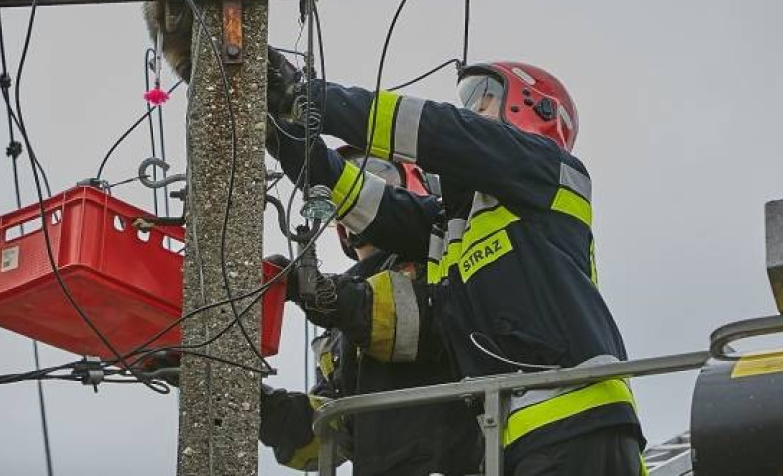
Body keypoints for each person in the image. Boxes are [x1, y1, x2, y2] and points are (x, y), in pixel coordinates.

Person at [267, 50, 646, 476]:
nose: (471, 111)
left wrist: (306, 95)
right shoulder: (454, 225)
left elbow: (443, 133)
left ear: (533, 109)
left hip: (577, 422)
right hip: (522, 437)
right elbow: (367, 202)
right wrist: (277, 130)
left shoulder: (547, 172)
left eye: (482, 100)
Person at [259, 140, 483, 475]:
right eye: (344, 187)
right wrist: (252, 400)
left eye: (378, 174)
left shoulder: (441, 259)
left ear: (417, 186)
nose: (356, 194)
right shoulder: (340, 309)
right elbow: (327, 433)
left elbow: (411, 324)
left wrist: (318, 293)